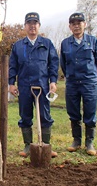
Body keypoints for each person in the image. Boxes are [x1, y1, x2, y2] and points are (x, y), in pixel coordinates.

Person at [9, 12, 59, 158]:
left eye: (35, 23)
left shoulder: (47, 44)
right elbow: (12, 66)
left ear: (39, 26)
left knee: (45, 116)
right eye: (29, 23)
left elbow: (53, 64)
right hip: (24, 86)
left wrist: (53, 81)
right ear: (25, 26)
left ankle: (46, 145)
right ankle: (28, 146)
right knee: (25, 116)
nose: (32, 26)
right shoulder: (18, 46)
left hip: (42, 86)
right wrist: (11, 83)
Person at [60, 12, 97, 156]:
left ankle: (89, 142)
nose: (76, 26)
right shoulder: (65, 43)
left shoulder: (93, 41)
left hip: (89, 82)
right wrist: (70, 76)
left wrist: (92, 75)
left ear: (85, 24)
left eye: (79, 23)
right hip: (72, 82)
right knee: (73, 112)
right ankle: (76, 141)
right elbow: (63, 64)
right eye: (73, 23)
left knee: (90, 111)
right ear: (70, 26)